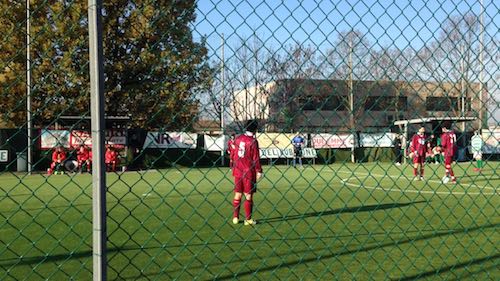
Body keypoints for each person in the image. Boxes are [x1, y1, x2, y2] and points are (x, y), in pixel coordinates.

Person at [231, 120, 262, 226]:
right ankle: (248, 219)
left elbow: (234, 154)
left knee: (237, 194)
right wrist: (259, 170)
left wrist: (233, 166)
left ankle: (235, 217)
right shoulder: (253, 141)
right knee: (248, 195)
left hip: (238, 170)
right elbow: (255, 158)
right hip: (248, 171)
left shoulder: (238, 139)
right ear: (255, 129)